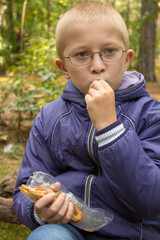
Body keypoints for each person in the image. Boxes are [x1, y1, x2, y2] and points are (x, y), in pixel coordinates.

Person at [13, 1, 160, 240]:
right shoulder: (49, 119)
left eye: (109, 51)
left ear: (126, 59)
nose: (98, 66)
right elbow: (25, 189)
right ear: (63, 67)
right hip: (69, 229)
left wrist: (110, 128)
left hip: (136, 233)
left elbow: (151, 200)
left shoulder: (151, 115)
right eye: (81, 54)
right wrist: (39, 211)